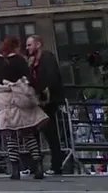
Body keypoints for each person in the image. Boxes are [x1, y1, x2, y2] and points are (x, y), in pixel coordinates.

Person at [0, 36, 48, 180]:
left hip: (4, 100)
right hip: (20, 98)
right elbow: (28, 78)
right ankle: (38, 166)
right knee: (28, 133)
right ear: (15, 47)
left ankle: (15, 170)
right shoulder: (19, 60)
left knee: (10, 135)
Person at [26, 35, 64, 175]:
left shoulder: (47, 57)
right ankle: (35, 166)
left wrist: (44, 93)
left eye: (30, 45)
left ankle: (56, 165)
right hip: (37, 101)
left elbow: (51, 77)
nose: (27, 48)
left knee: (50, 133)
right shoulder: (33, 62)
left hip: (48, 101)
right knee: (33, 133)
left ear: (38, 44)